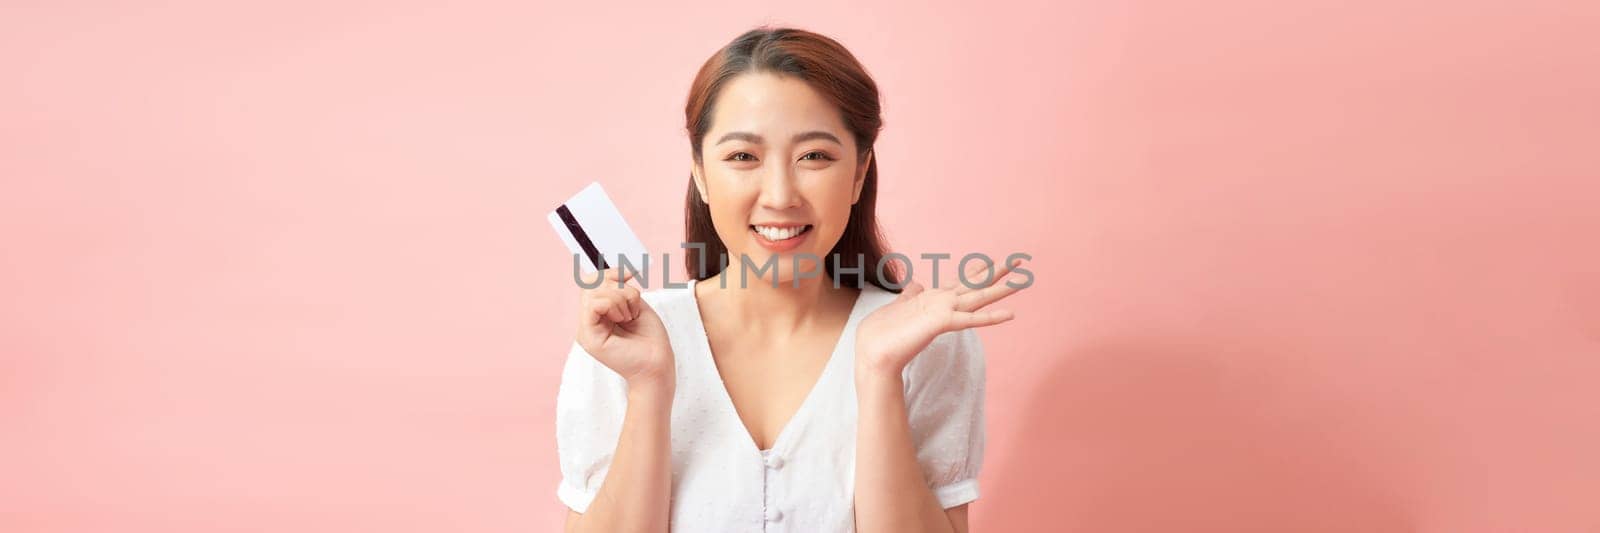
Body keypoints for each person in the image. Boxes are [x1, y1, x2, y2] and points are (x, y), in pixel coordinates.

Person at [556, 26, 1029, 532]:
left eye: (815, 156)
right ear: (699, 173)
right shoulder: (624, 344)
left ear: (859, 173)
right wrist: (649, 386)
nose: (780, 195)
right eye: (743, 157)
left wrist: (878, 373)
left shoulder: (926, 342)